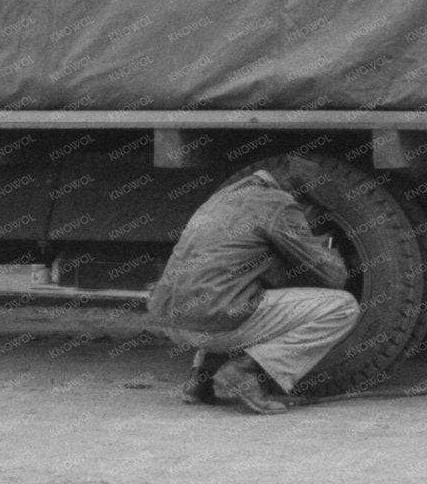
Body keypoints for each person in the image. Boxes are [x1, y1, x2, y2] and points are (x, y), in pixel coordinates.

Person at [146, 166, 360, 414]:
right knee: (343, 307)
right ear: (308, 205)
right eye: (315, 215)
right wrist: (328, 246)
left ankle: (201, 378)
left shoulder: (224, 197)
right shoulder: (281, 204)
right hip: (215, 320)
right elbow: (333, 277)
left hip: (171, 321)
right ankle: (244, 371)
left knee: (239, 289)